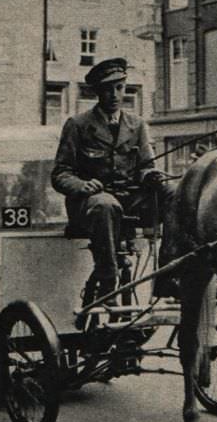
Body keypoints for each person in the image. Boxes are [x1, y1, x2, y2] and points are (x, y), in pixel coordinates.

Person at [51, 57, 178, 303]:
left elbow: (145, 167)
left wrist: (151, 176)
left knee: (173, 193)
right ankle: (107, 279)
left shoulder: (137, 125)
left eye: (119, 88)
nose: (114, 95)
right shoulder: (78, 125)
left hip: (130, 201)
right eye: (108, 89)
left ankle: (166, 273)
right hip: (90, 205)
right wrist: (82, 185)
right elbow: (60, 174)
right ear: (97, 92)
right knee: (106, 205)